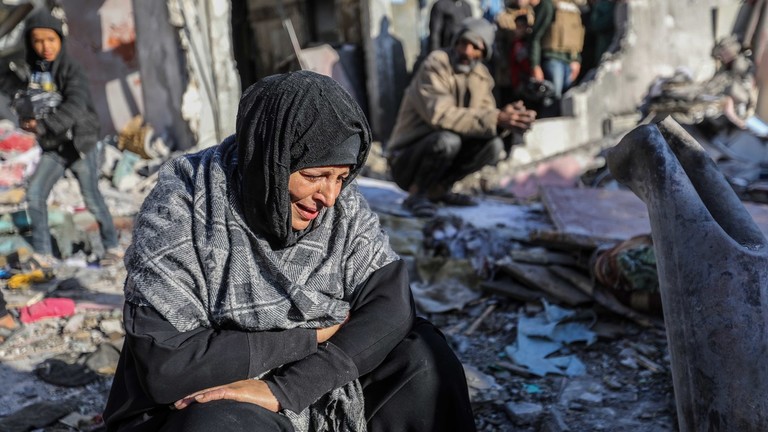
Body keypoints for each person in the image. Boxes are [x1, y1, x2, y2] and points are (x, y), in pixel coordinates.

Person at [102, 71, 477, 432]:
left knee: (423, 358)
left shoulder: (342, 208)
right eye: (314, 177)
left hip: (306, 382)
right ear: (269, 159)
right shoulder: (183, 206)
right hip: (209, 397)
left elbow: (391, 307)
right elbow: (169, 366)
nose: (329, 197)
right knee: (220, 422)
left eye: (342, 177)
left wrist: (289, 387)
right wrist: (308, 338)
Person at [1, 11, 121, 266]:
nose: (45, 47)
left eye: (51, 40)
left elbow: (75, 105)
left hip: (78, 145)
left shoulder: (71, 68)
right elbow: (25, 98)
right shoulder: (33, 72)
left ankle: (112, 246)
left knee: (92, 199)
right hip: (54, 148)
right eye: (38, 41)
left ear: (60, 40)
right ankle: (43, 254)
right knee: (35, 194)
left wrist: (44, 126)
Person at [387, 18, 536, 218]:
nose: (467, 51)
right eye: (463, 43)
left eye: (475, 47)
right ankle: (417, 193)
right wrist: (496, 117)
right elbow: (441, 115)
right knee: (448, 141)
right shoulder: (437, 64)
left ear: (483, 53)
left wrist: (506, 119)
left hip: (442, 152)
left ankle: (439, 190)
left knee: (493, 146)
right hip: (406, 161)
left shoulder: (481, 76)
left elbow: (485, 119)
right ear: (455, 42)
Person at [528, 0, 585, 117]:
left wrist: (577, 60)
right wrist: (535, 65)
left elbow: (576, 37)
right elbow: (536, 37)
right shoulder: (548, 5)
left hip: (570, 62)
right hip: (553, 59)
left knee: (566, 101)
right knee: (552, 99)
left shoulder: (574, 7)